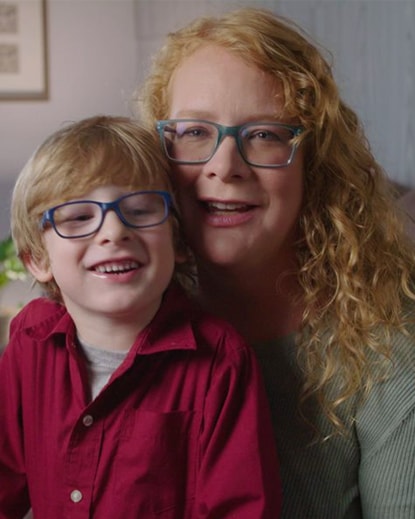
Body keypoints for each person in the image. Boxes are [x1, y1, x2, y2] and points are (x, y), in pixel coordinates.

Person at [135, 7, 415, 519]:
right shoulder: (126, 322)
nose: (225, 166)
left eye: (264, 134)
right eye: (195, 131)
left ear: (316, 161)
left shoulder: (390, 348)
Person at [0, 115, 281, 519]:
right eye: (79, 217)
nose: (113, 231)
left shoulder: (222, 362)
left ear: (178, 241)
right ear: (37, 260)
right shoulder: (30, 338)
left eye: (141, 209)